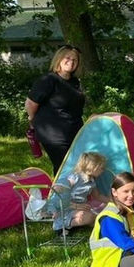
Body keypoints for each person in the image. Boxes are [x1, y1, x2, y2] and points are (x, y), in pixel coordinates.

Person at [24, 45, 85, 174]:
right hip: (54, 135)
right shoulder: (48, 80)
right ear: (59, 59)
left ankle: (75, 193)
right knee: (64, 169)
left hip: (75, 132)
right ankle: (60, 194)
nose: (71, 62)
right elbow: (30, 103)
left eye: (75, 60)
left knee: (79, 167)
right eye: (67, 58)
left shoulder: (75, 82)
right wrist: (32, 120)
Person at [48, 152, 110, 234]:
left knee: (97, 218)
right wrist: (76, 205)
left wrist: (112, 201)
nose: (103, 171)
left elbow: (98, 196)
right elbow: (60, 194)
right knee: (89, 217)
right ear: (93, 167)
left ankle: (74, 224)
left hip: (78, 208)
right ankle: (60, 226)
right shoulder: (75, 177)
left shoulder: (91, 181)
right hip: (66, 208)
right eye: (101, 168)